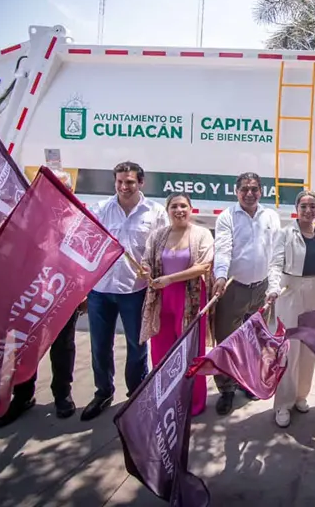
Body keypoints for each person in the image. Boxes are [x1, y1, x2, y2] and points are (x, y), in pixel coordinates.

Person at [0, 175, 86, 427]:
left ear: (69, 190)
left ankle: (62, 395)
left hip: (63, 294)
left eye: (62, 187)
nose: (57, 192)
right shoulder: (25, 216)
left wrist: (83, 293)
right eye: (52, 187)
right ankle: (23, 396)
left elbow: (83, 260)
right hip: (29, 293)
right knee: (25, 345)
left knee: (62, 346)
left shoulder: (79, 219)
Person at [82, 161, 168, 421]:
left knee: (137, 345)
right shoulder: (101, 210)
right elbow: (87, 246)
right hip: (101, 290)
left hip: (135, 290)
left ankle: (136, 393)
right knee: (100, 345)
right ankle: (103, 392)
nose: (124, 186)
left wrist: (153, 271)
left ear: (140, 182)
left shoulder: (155, 212)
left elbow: (162, 250)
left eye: (129, 182)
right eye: (119, 181)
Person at [211, 172, 282, 416]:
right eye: (244, 189)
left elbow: (275, 257)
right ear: (236, 191)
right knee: (227, 341)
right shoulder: (227, 217)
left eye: (254, 189)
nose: (249, 193)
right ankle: (227, 389)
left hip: (261, 288)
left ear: (261, 191)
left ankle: (248, 381)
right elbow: (222, 249)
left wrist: (273, 286)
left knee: (256, 341)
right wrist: (220, 276)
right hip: (233, 288)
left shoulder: (271, 216)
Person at [139, 193, 214, 417]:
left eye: (183, 206)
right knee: (161, 353)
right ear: (167, 210)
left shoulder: (201, 234)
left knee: (190, 352)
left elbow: (204, 267)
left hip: (189, 297)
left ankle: (194, 402)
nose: (179, 210)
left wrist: (171, 279)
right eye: (174, 206)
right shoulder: (157, 235)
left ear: (191, 209)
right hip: (161, 299)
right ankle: (165, 399)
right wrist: (144, 271)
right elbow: (146, 261)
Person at [266, 191, 315, 428]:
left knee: (308, 348)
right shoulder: (286, 234)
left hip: (314, 291)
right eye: (303, 206)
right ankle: (283, 403)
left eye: (313, 206)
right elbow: (275, 265)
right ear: (296, 208)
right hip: (291, 291)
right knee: (289, 349)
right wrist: (273, 289)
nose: (308, 210)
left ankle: (301, 395)